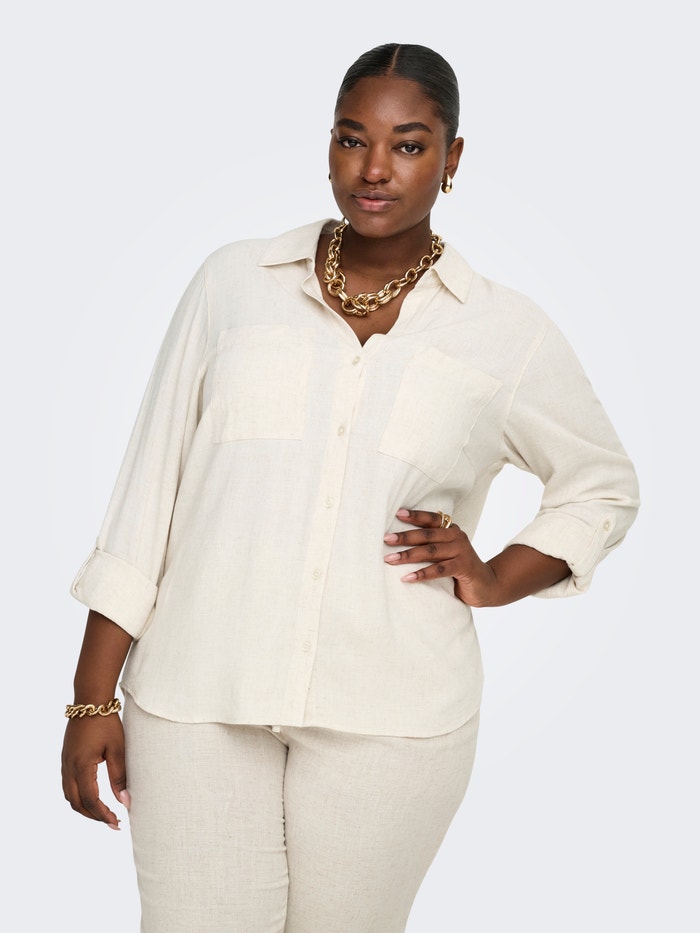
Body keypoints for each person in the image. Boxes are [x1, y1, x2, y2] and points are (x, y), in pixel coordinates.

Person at [61, 42, 639, 933]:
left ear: (451, 158)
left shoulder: (505, 333)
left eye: (408, 145)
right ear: (328, 144)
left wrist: (494, 576)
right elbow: (149, 491)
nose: (375, 169)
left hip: (392, 716)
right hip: (195, 694)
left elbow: (601, 484)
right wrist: (91, 696)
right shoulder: (232, 284)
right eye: (352, 138)